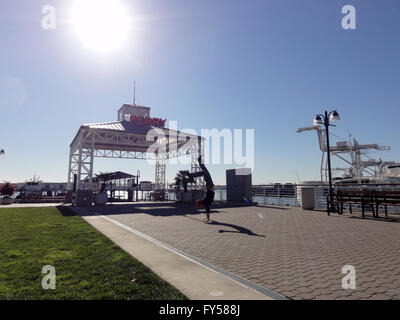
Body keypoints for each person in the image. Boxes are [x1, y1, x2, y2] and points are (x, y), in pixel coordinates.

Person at [190, 156, 215, 223]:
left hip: (209, 185)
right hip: (209, 185)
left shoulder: (205, 202)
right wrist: (207, 220)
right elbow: (208, 211)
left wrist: (207, 219)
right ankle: (199, 162)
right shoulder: (206, 203)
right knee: (205, 171)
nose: (200, 207)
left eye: (199, 205)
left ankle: (199, 161)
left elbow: (207, 210)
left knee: (205, 171)